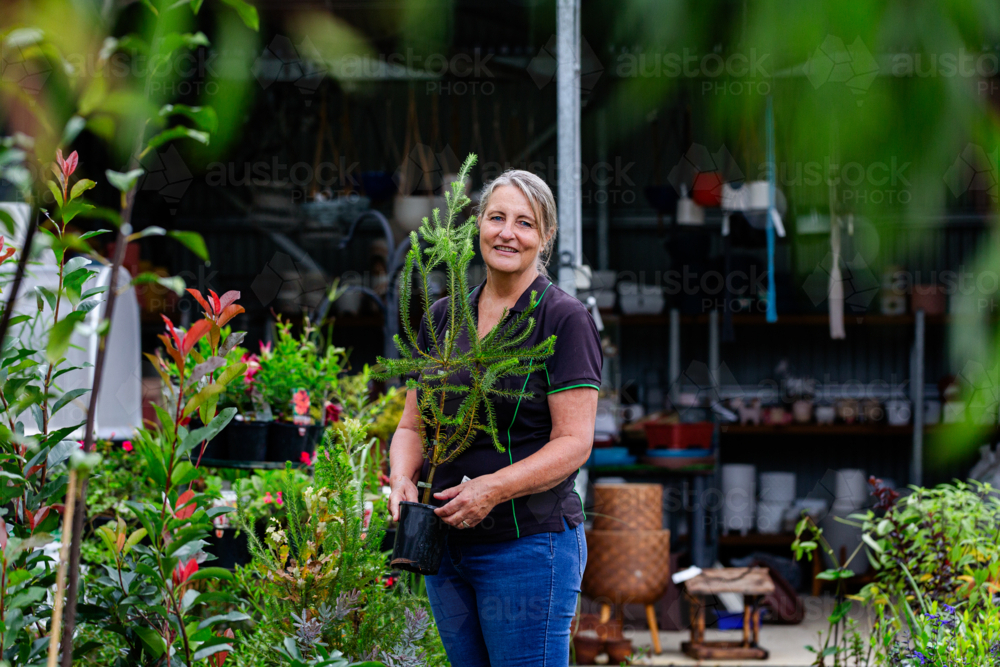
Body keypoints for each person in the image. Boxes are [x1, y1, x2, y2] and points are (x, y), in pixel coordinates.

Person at [387, 169, 602, 666]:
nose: (507, 232)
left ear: (544, 237)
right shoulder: (445, 316)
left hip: (526, 547)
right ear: (478, 225)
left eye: (524, 223)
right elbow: (411, 426)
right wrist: (402, 477)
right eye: (496, 217)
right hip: (444, 547)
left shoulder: (562, 320)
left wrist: (492, 489)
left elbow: (575, 442)